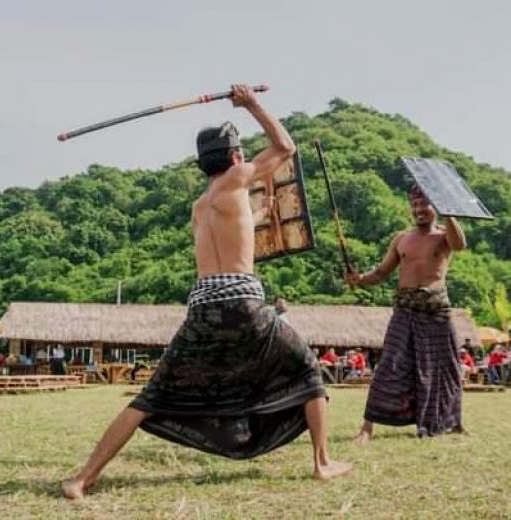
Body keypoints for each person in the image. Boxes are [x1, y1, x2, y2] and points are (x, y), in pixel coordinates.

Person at [62, 84, 351, 500]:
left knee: (149, 397)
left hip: (202, 309)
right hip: (244, 306)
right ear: (235, 158)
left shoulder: (201, 206)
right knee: (307, 369)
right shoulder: (238, 177)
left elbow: (230, 229)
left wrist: (259, 214)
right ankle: (322, 463)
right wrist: (251, 103)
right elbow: (285, 148)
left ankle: (83, 478)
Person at [347, 184, 467, 442]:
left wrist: (448, 211)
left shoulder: (445, 235)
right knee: (388, 365)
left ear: (435, 206)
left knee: (447, 367)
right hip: (404, 310)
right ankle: (366, 429)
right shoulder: (401, 239)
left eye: (424, 204)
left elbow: (460, 245)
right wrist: (360, 279)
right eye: (414, 204)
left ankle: (452, 422)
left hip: (436, 311)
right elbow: (381, 273)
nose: (419, 209)